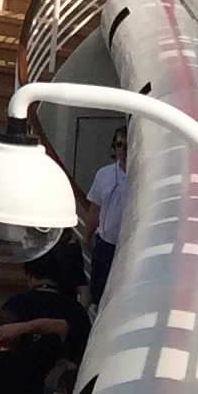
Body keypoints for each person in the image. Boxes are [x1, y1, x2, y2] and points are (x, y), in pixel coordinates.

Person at [85, 124, 127, 298]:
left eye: (127, 145)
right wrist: (87, 236)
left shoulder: (144, 175)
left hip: (129, 247)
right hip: (106, 244)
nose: (123, 149)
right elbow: (95, 207)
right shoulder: (104, 174)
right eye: (119, 144)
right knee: (98, 293)